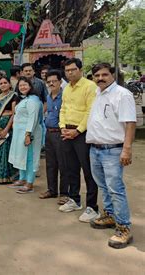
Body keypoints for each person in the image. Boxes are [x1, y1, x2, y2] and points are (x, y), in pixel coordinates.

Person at [87, 63, 136, 249]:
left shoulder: (122, 94)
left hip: (113, 149)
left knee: (116, 188)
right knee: (103, 186)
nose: (100, 78)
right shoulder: (98, 93)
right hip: (96, 148)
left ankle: (124, 228)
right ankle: (109, 215)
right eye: (96, 75)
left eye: (104, 74)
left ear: (112, 75)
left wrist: (127, 148)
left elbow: (130, 123)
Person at [59, 58, 99, 223]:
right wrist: (62, 127)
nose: (70, 73)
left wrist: (77, 131)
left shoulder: (90, 86)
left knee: (89, 171)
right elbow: (63, 108)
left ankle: (92, 207)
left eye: (73, 69)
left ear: (80, 70)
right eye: (67, 70)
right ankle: (75, 200)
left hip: (82, 133)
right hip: (67, 131)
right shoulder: (66, 88)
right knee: (71, 169)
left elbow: (90, 111)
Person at [8, 77, 44, 194]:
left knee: (30, 158)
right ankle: (22, 179)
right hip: (19, 132)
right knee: (21, 156)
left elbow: (32, 119)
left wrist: (28, 134)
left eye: (25, 85)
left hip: (29, 133)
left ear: (30, 86)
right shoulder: (23, 99)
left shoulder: (33, 100)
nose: (22, 87)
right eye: (20, 85)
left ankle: (30, 183)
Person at [39, 70, 68, 203]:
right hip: (49, 133)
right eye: (49, 81)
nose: (51, 83)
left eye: (54, 81)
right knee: (50, 163)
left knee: (63, 163)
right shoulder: (49, 96)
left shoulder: (65, 96)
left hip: (60, 133)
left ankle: (64, 193)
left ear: (60, 82)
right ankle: (51, 190)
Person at [0, 76, 19, 184]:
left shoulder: (13, 96)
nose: (3, 85)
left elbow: (14, 113)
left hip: (8, 127)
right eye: (1, 83)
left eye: (5, 83)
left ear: (9, 84)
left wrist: (6, 129)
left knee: (6, 151)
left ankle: (8, 176)